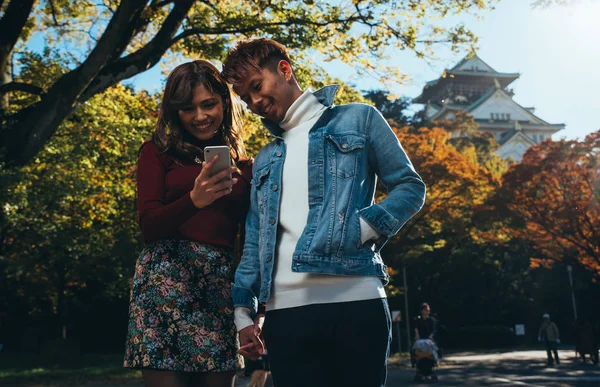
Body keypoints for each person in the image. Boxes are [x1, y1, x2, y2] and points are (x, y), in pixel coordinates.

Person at [221, 38, 426, 387]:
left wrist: (360, 228)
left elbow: (410, 187)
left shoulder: (359, 118)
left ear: (284, 70)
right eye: (245, 98)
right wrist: (243, 314)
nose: (254, 102)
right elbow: (254, 243)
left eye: (257, 86)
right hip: (285, 314)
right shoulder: (266, 158)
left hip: (357, 302)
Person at [123, 60, 253, 387]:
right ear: (173, 112)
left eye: (208, 104)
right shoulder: (156, 152)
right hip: (163, 284)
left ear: (225, 100)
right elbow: (149, 227)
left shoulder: (245, 167)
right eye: (187, 108)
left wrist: (252, 307)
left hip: (219, 287)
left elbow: (250, 243)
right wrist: (194, 200)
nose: (199, 116)